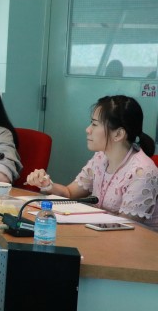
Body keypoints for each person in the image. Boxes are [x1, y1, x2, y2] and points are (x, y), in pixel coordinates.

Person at [26, 95, 158, 226]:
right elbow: (69, 193)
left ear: (118, 134)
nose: (88, 130)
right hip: (101, 234)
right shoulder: (101, 157)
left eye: (94, 124)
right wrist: (47, 184)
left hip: (129, 238)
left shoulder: (142, 173)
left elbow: (126, 227)